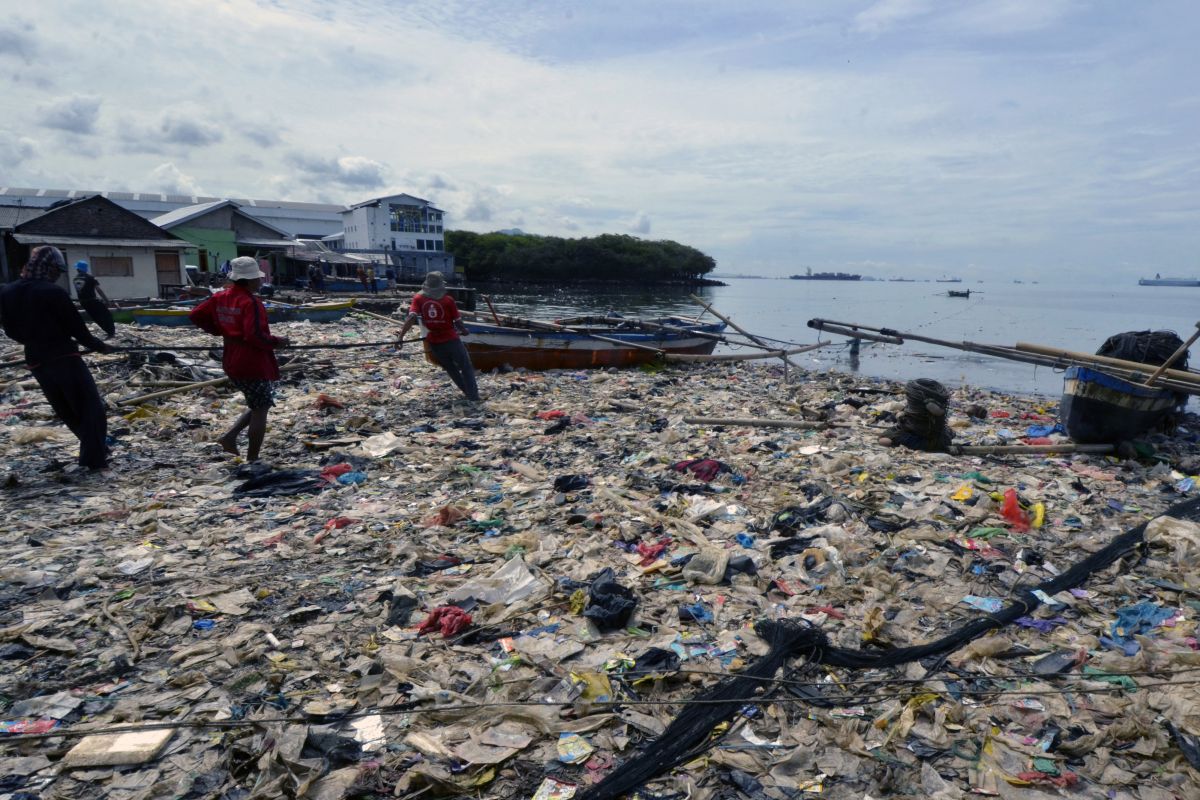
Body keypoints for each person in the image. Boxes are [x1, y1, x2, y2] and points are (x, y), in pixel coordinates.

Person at [0, 246, 113, 470]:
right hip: (63, 356)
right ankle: (94, 461)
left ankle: (95, 451)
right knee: (91, 409)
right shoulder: (52, 292)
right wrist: (101, 346)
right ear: (49, 268)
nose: (58, 275)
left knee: (67, 410)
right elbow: (78, 330)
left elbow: (9, 330)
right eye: (57, 270)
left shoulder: (6, 292)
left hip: (35, 359)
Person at [189, 256, 290, 462]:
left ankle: (229, 437)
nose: (260, 282)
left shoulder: (221, 297)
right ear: (250, 280)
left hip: (231, 358)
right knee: (261, 410)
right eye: (258, 279)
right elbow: (255, 336)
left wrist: (220, 330)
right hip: (251, 361)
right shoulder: (250, 302)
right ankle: (253, 459)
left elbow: (196, 315)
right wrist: (278, 341)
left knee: (259, 403)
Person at [397, 271, 480, 403]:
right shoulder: (448, 300)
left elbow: (411, 317)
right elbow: (458, 322)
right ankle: (473, 396)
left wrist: (401, 337)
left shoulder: (418, 298)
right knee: (465, 366)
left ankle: (466, 392)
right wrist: (464, 331)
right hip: (451, 340)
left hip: (434, 342)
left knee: (451, 368)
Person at [73, 261, 117, 338]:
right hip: (92, 301)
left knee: (96, 318)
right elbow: (98, 290)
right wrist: (107, 301)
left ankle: (108, 332)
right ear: (85, 269)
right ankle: (111, 333)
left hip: (83, 302)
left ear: (78, 269)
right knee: (106, 315)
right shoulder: (90, 278)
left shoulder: (75, 279)